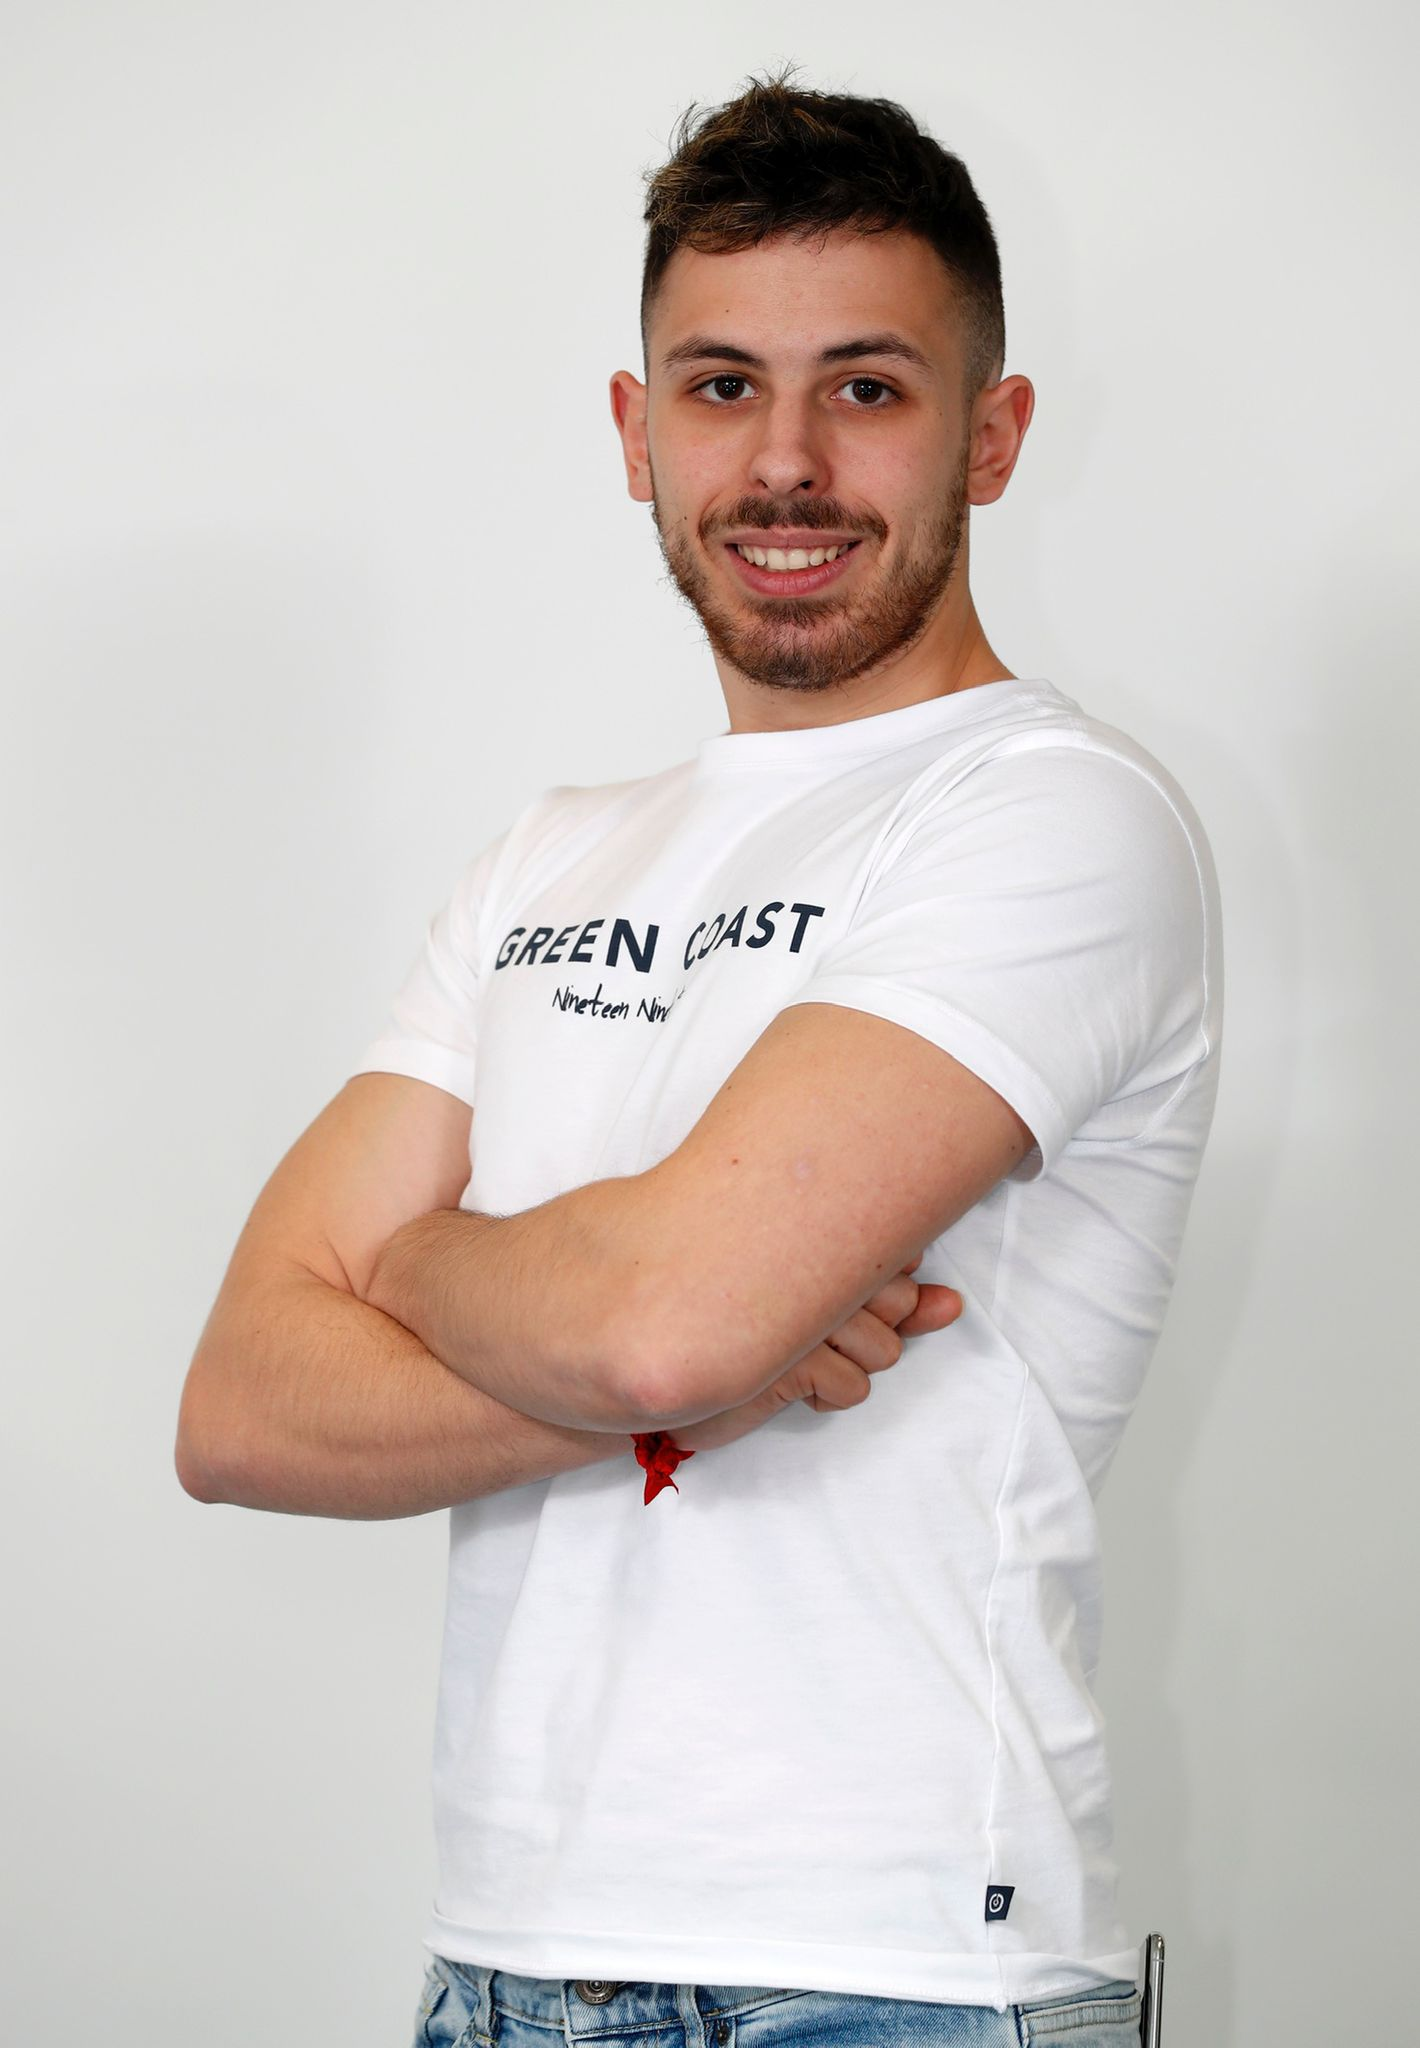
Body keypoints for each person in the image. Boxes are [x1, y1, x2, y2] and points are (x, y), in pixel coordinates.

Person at [176, 64, 1221, 2048]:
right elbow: (239, 1406)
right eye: (721, 385)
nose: (786, 463)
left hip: (897, 1977)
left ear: (991, 433)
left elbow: (663, 1327)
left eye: (866, 386)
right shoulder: (548, 854)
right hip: (505, 1967)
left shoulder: (1052, 813)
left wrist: (420, 1265)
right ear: (634, 432)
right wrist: (665, 1350)